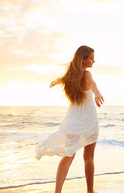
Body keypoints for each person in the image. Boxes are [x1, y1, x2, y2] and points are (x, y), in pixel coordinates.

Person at [36, 45, 104, 193]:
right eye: (91, 58)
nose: (94, 61)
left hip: (73, 120)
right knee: (89, 157)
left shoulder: (70, 78)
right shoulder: (86, 74)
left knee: (68, 155)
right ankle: (90, 191)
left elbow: (62, 80)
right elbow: (92, 83)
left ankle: (57, 191)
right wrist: (97, 93)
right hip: (88, 120)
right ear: (83, 59)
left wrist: (55, 82)